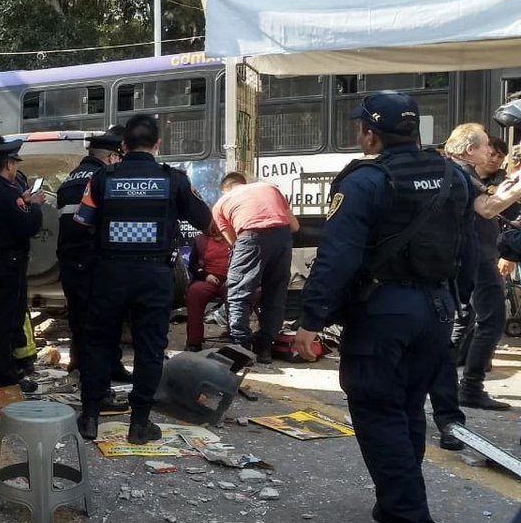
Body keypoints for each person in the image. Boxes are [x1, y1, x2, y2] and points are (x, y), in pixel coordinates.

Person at [293, 91, 481, 523]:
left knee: (378, 411)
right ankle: (397, 502)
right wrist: (460, 300)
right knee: (408, 406)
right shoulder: (453, 177)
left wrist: (311, 319)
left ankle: (407, 512)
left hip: (383, 312)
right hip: (437, 308)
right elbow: (469, 248)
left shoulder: (364, 181)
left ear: (371, 134)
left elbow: (337, 255)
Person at [73, 115, 212, 442]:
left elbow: (81, 222)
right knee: (150, 347)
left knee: (98, 342)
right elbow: (204, 219)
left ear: (122, 146)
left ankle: (90, 417)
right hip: (154, 275)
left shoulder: (103, 178)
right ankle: (139, 424)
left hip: (110, 272)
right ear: (157, 144)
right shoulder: (174, 180)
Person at [445, 123, 516, 410]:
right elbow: (485, 208)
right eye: (486, 145)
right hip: (476, 258)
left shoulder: (463, 172)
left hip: (475, 255)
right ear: (469, 149)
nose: (491, 150)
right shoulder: (461, 173)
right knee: (491, 321)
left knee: (465, 322)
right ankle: (471, 387)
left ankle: (444, 382)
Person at [55, 127, 132, 384]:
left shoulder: (69, 179)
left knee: (78, 317)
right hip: (96, 259)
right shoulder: (103, 177)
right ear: (111, 157)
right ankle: (106, 369)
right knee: (106, 318)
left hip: (69, 260)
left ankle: (80, 363)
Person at [0, 139, 44, 393]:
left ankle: (2, 370)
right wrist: (34, 205)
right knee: (7, 318)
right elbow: (28, 226)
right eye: (14, 162)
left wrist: (22, 201)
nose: (16, 168)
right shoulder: (6, 192)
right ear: (9, 164)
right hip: (11, 262)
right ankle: (6, 375)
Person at [212, 172, 299, 363]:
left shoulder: (221, 203)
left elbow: (233, 242)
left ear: (224, 190)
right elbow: (295, 226)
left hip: (249, 236)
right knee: (275, 294)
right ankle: (265, 349)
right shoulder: (269, 188)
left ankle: (241, 348)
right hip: (282, 237)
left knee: (237, 294)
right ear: (244, 183)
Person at [184, 221, 231, 352]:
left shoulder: (235, 238)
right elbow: (193, 265)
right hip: (207, 278)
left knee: (236, 296)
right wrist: (205, 275)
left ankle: (237, 339)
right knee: (194, 292)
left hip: (231, 279)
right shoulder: (200, 240)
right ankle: (194, 342)